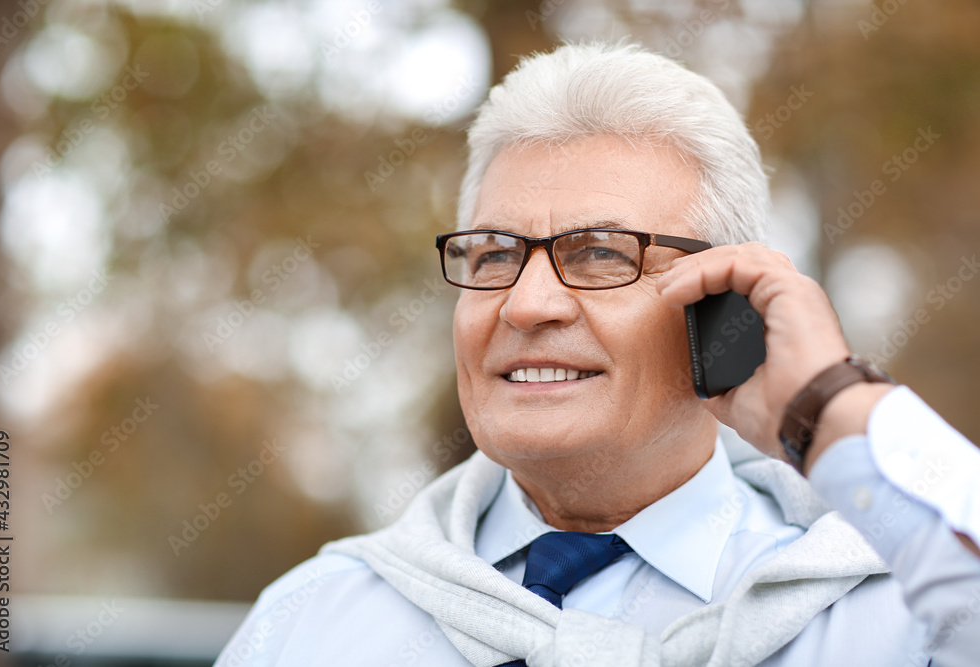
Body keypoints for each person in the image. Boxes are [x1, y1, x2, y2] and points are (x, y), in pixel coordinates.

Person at [216, 42, 980, 666]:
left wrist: (834, 408)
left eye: (601, 254)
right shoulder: (306, 625)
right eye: (493, 255)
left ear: (726, 300)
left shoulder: (903, 614)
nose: (527, 303)